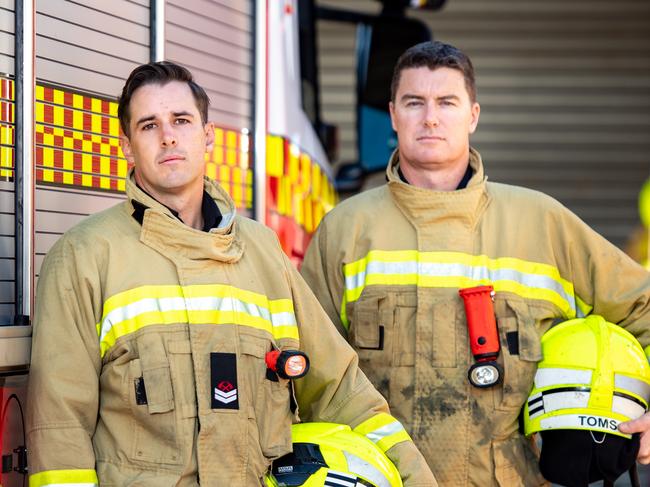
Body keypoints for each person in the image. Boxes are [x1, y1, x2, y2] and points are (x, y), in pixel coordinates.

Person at [26, 61, 436, 487]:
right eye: (149, 126)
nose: (168, 136)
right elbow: (60, 428)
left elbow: (343, 392)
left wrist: (416, 479)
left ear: (207, 137)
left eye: (181, 120)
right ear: (128, 147)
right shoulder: (84, 256)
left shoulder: (263, 252)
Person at [300, 40, 650, 485]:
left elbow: (643, 308)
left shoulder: (540, 221)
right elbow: (307, 366)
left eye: (447, 102)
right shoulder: (345, 230)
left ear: (473, 115)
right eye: (414, 102)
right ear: (392, 115)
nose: (430, 117)